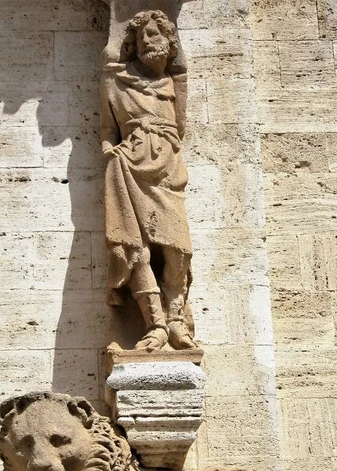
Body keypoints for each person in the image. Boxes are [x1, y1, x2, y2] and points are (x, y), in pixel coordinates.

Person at [100, 10, 197, 351]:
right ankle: (155, 324)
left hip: (168, 167)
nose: (147, 41)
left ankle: (176, 320)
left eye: (155, 35)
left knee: (177, 249)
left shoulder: (175, 81)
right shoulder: (115, 79)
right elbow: (107, 131)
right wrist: (110, 152)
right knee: (134, 246)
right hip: (128, 165)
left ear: (171, 42)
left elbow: (179, 128)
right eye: (141, 37)